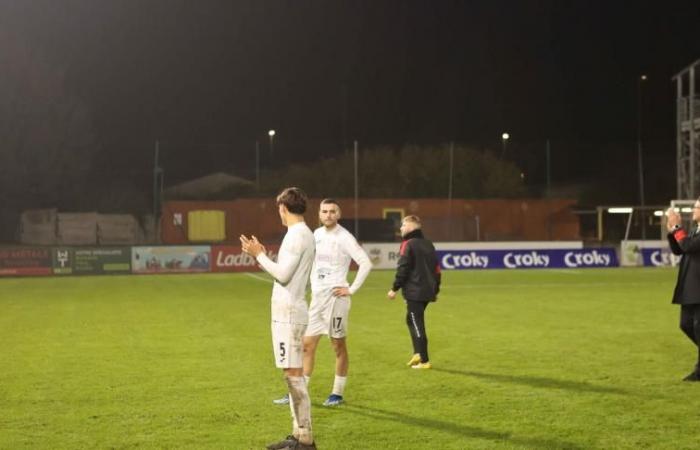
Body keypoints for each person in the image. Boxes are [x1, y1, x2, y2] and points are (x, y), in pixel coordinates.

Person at [273, 199, 372, 407]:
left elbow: (365, 262)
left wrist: (350, 289)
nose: (328, 215)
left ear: (339, 214)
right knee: (307, 346)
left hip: (336, 299)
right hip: (317, 300)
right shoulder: (315, 235)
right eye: (324, 211)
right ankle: (298, 393)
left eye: (332, 211)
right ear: (319, 214)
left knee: (337, 345)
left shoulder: (344, 237)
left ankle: (337, 393)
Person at [240, 187, 317, 450]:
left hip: (290, 314)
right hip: (288, 312)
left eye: (279, 209)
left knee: (294, 376)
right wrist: (260, 254)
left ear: (283, 208)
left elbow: (283, 275)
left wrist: (258, 254)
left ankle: (305, 439)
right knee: (291, 374)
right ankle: (297, 435)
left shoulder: (297, 236)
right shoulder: (299, 234)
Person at [387, 215, 441, 370]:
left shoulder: (407, 244)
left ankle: (424, 360)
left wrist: (394, 288)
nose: (401, 228)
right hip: (427, 291)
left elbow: (403, 268)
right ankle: (417, 354)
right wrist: (435, 289)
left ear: (411, 226)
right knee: (411, 320)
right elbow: (437, 270)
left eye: (403, 225)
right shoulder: (428, 244)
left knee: (417, 323)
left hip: (415, 291)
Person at [666, 201, 700, 381]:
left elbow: (688, 246)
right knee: (686, 324)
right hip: (691, 287)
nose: (693, 210)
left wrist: (677, 226)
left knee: (698, 327)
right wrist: (673, 231)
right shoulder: (696, 229)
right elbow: (680, 250)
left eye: (697, 207)